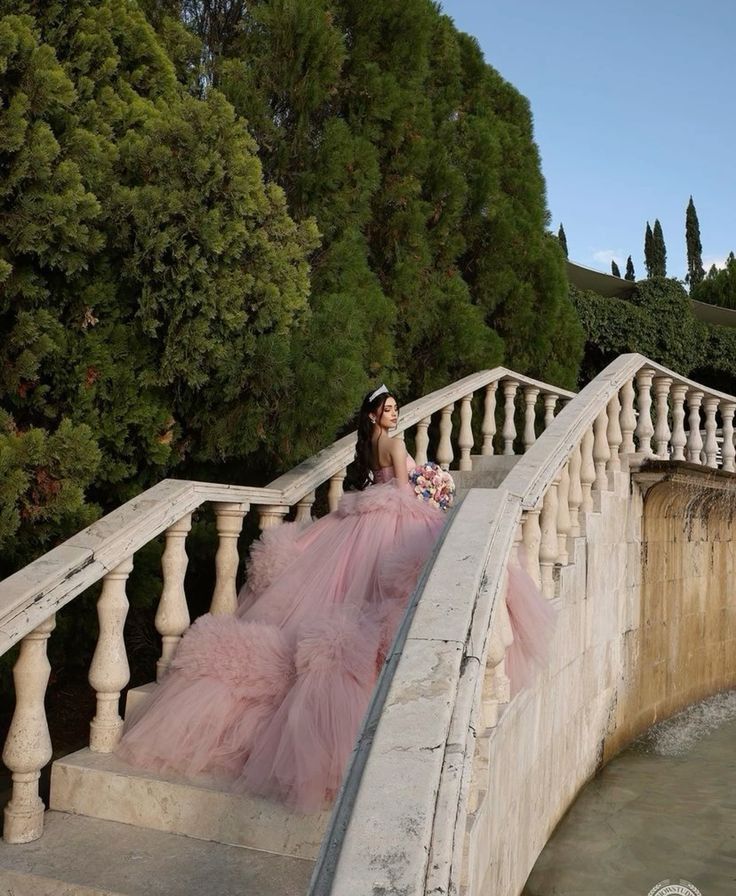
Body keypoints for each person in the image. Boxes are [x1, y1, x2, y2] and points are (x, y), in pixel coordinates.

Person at [117, 384, 555, 811]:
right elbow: (402, 489)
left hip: (364, 519)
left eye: (394, 407)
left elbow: (378, 483)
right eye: (387, 408)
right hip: (394, 518)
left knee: (340, 586)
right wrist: (427, 493)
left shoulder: (370, 447)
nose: (393, 413)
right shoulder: (396, 444)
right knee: (384, 590)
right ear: (373, 415)